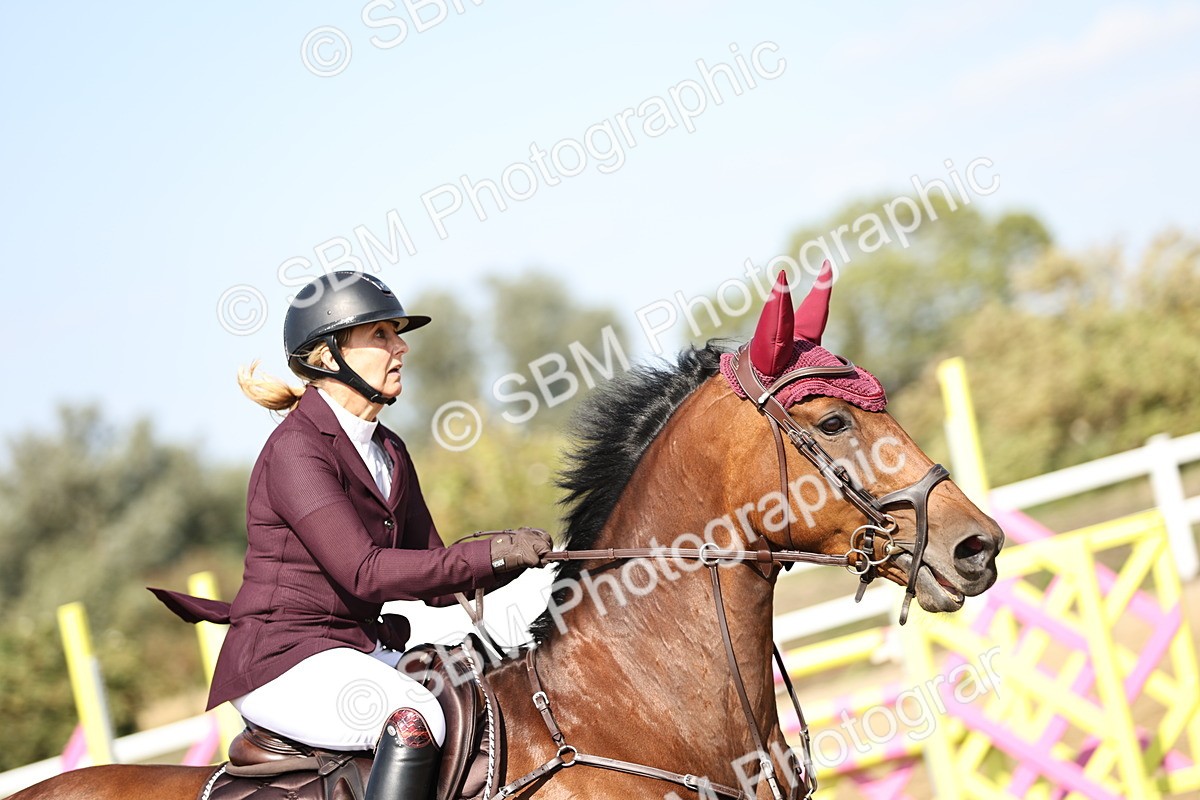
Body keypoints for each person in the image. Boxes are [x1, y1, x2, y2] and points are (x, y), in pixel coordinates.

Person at [152, 271, 553, 800]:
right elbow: (364, 573)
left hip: (349, 650)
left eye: (397, 334)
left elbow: (433, 575)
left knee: (475, 688)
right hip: (282, 661)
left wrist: (518, 559)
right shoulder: (296, 450)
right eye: (382, 335)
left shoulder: (388, 450)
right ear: (327, 356)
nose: (401, 347)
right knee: (416, 717)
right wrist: (490, 554)